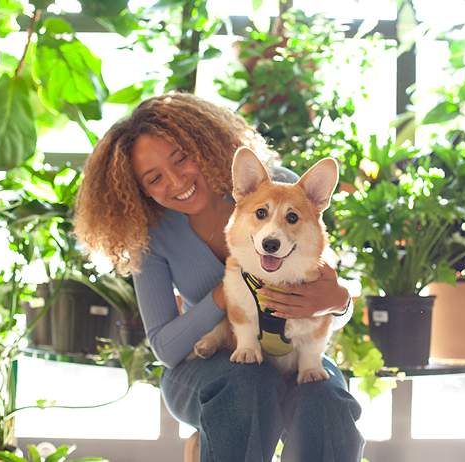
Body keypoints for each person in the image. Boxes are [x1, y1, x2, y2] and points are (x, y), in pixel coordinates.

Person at [74, 92, 364, 462]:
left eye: (181, 158)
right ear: (139, 191)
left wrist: (338, 301)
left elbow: (329, 295)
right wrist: (225, 295)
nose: (177, 181)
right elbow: (165, 348)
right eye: (154, 178)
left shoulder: (278, 191)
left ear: (204, 144)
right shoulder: (152, 235)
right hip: (203, 369)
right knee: (245, 386)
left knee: (327, 405)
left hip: (291, 354)